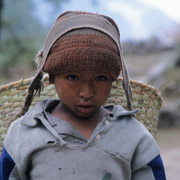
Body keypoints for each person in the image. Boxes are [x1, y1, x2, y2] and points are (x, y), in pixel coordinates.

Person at [0, 11, 166, 180]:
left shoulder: (134, 136)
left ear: (113, 80)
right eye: (72, 77)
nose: (87, 93)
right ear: (51, 77)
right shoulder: (23, 134)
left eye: (100, 78)